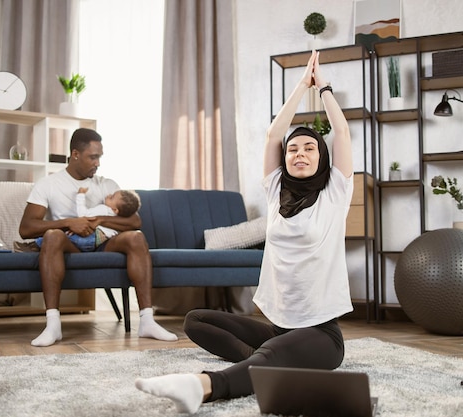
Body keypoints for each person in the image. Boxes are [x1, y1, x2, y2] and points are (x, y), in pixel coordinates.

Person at [135, 50, 353, 414]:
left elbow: (342, 131)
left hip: (321, 336)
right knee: (196, 320)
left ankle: (203, 386)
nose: (299, 153)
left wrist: (323, 87)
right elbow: (273, 135)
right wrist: (301, 85)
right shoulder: (274, 190)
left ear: (322, 158)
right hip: (278, 329)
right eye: (293, 149)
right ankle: (265, 364)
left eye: (310, 148)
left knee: (271, 352)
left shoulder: (335, 193)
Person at [19, 128, 178, 347]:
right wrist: (68, 222)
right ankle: (53, 324)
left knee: (136, 237)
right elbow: (26, 228)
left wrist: (100, 220)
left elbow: (134, 222)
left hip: (104, 243)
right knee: (53, 236)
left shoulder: (107, 184)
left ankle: (147, 321)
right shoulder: (48, 184)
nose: (98, 163)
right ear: (75, 154)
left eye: (100, 157)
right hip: (71, 244)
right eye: (93, 157)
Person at [34, 188, 141, 252]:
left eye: (111, 197)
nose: (108, 195)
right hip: (97, 243)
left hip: (89, 239)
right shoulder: (120, 219)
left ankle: (35, 244)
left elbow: (83, 214)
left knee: (60, 237)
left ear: (115, 209)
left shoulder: (104, 209)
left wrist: (80, 195)